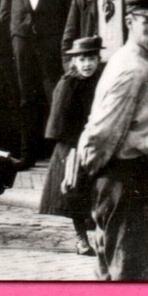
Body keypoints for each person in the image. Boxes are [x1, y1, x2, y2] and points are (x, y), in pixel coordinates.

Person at [75, 0, 148, 281]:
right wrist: (93, 174)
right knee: (128, 273)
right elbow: (103, 131)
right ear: (129, 22)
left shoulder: (139, 60)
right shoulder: (132, 67)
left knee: (112, 269)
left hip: (129, 173)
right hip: (124, 175)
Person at [1, 0, 74, 166]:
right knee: (26, 97)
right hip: (22, 42)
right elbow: (4, 14)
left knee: (55, 93)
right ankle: (27, 154)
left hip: (51, 42)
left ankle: (58, 155)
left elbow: (68, 11)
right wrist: (18, 32)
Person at [40, 36, 103, 257]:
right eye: (83, 59)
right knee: (75, 192)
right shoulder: (68, 83)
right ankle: (81, 239)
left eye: (92, 58)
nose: (88, 64)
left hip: (97, 144)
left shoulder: (101, 80)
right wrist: (71, 146)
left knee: (98, 191)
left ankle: (100, 235)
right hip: (73, 145)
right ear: (75, 61)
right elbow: (58, 120)